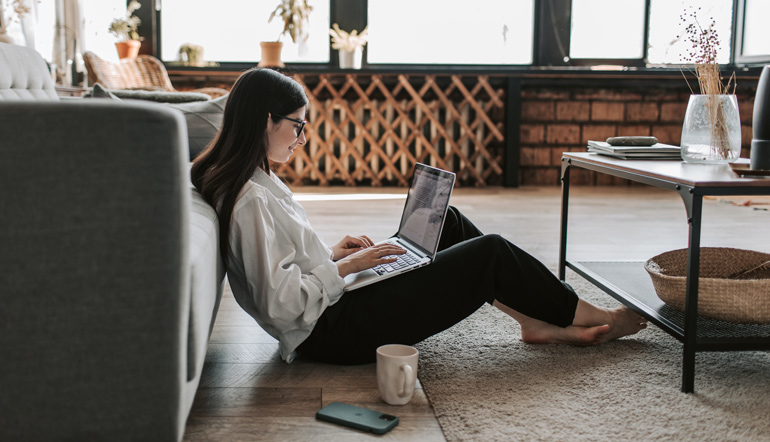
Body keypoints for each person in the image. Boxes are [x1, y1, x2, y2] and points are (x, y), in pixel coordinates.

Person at [191, 68, 647, 365]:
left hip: (333, 305)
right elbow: (281, 305)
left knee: (445, 221)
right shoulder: (250, 198)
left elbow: (282, 268)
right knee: (491, 253)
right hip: (329, 333)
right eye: (298, 125)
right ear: (265, 120)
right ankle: (591, 315)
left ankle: (532, 320)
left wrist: (333, 253)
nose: (303, 137)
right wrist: (345, 268)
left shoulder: (257, 181)